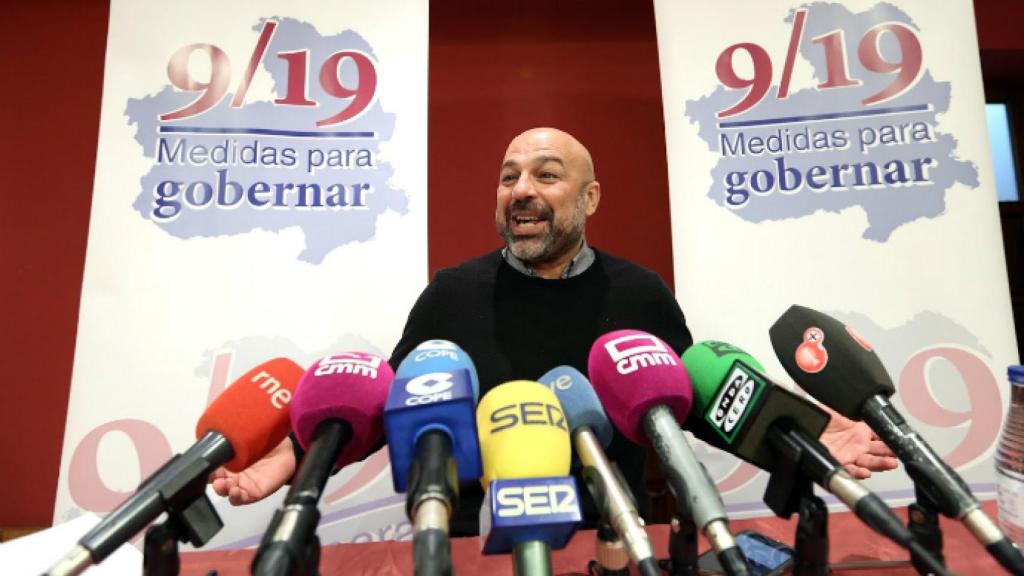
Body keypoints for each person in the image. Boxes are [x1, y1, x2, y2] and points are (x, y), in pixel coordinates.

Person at [211, 127, 898, 535]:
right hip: (477, 545)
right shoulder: (452, 294)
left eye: (546, 173)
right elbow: (387, 412)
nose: (521, 190)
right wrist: (289, 460)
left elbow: (694, 404)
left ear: (589, 198)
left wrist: (807, 432)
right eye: (509, 177)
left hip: (614, 537)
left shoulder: (639, 291)